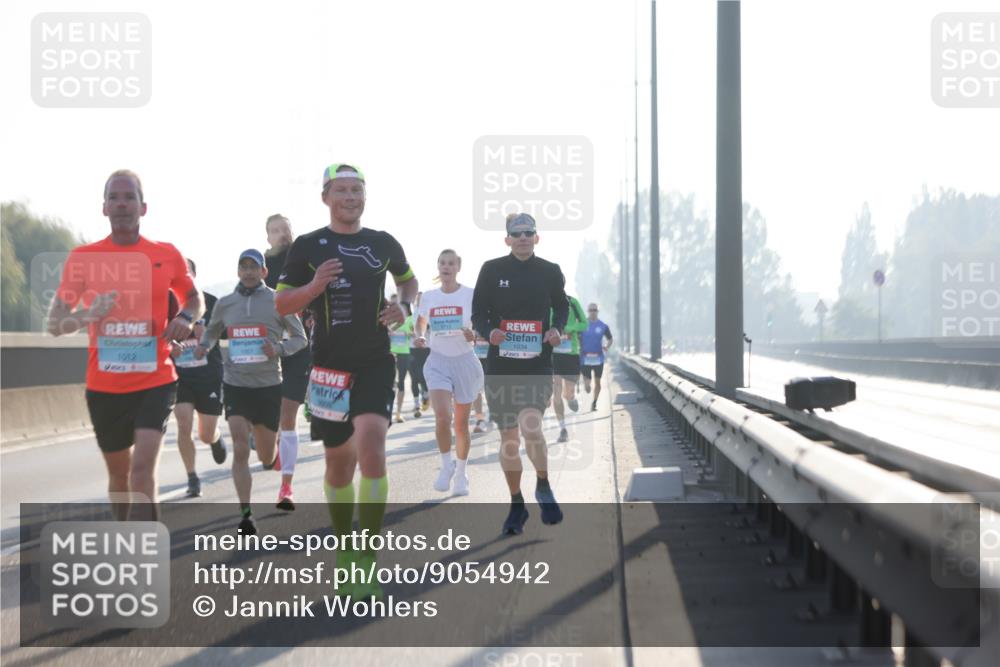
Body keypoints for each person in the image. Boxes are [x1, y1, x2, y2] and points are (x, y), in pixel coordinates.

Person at [275, 163, 417, 599]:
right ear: (325, 197)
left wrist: (404, 309)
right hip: (328, 368)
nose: (351, 197)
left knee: (372, 443)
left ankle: (368, 558)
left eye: (357, 190)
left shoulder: (383, 242)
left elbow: (409, 286)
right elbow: (282, 304)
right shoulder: (307, 246)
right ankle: (344, 553)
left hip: (375, 360)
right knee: (339, 463)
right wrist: (316, 285)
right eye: (342, 190)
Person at [47, 169, 203, 521]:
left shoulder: (166, 254)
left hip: (156, 379)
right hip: (105, 386)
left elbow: (193, 298)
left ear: (142, 207)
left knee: (142, 471)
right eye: (114, 198)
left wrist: (185, 318)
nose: (121, 204)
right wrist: (90, 313)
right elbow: (56, 324)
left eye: (129, 197)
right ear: (104, 208)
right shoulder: (84, 258)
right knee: (119, 477)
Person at [196, 249, 307, 533]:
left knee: (266, 458)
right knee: (240, 447)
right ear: (237, 271)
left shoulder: (278, 302)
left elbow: (300, 338)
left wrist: (278, 349)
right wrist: (202, 346)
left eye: (253, 267)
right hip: (236, 386)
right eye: (243, 267)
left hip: (268, 387)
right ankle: (246, 514)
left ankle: (273, 455)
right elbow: (211, 331)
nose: (248, 272)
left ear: (263, 272)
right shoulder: (225, 303)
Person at [472, 212, 568, 535]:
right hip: (501, 366)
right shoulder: (491, 269)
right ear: (507, 239)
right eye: (517, 233)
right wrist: (489, 331)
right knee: (509, 439)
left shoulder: (550, 271)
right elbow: (478, 313)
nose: (523, 237)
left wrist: (556, 328)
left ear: (537, 238)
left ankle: (543, 484)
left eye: (529, 232)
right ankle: (516, 504)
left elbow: (562, 306)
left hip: (537, 363)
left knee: (531, 426)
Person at [413, 249, 483, 496]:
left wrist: (472, 335)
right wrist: (421, 335)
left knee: (462, 425)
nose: (446, 267)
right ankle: (446, 466)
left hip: (465, 361)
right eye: (442, 263)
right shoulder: (429, 296)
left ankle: (461, 473)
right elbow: (421, 321)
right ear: (438, 266)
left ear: (458, 266)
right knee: (443, 417)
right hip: (438, 361)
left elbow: (480, 326)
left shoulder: (471, 295)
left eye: (451, 263)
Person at [263, 214, 312, 506]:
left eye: (285, 230)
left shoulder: (306, 260)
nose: (281, 235)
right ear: (267, 237)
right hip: (269, 351)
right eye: (275, 231)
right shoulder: (260, 269)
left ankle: (286, 487)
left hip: (302, 348)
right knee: (272, 422)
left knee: (288, 417)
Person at [169, 259, 227, 497]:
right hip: (180, 375)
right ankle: (192, 477)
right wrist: (170, 348)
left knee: (205, 433)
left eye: (186, 274)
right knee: (184, 424)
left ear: (193, 276)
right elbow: (158, 335)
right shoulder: (167, 304)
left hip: (208, 375)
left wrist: (208, 338)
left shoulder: (211, 303)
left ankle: (214, 438)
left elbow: (227, 332)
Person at [550, 294, 587, 443]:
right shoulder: (546, 302)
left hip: (571, 354)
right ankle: (563, 429)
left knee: (568, 392)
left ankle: (571, 398)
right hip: (554, 354)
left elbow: (584, 324)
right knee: (556, 392)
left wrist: (568, 328)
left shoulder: (572, 302)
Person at [388, 295, 418, 423]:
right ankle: (388, 411)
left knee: (400, 382)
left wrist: (408, 334)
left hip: (404, 353)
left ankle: (398, 413)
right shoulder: (388, 318)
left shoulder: (410, 319)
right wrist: (389, 331)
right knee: (389, 383)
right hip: (390, 353)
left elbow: (415, 334)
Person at [580, 302, 613, 411]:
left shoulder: (603, 326)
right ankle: (586, 384)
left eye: (595, 310)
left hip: (598, 358)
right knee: (588, 383)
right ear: (588, 311)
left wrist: (606, 346)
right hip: (585, 358)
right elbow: (576, 336)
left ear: (598, 311)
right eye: (591, 310)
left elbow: (610, 339)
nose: (593, 312)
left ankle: (594, 403)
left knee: (598, 382)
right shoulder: (582, 324)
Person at [408, 291, 430, 417]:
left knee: (423, 375)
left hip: (426, 347)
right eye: (418, 298)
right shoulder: (411, 313)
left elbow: (430, 327)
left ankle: (426, 395)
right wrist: (411, 333)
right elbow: (405, 328)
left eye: (422, 299)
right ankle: (417, 404)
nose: (420, 300)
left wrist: (422, 332)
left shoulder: (429, 311)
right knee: (414, 376)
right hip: (412, 348)